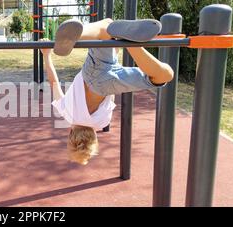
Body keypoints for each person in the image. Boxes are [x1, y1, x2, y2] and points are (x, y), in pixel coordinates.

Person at [40, 19, 174, 165]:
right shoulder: (66, 114)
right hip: (92, 74)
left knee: (164, 76)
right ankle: (80, 34)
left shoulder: (102, 122)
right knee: (106, 27)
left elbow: (110, 97)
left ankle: (131, 45)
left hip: (110, 83)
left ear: (94, 138)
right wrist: (46, 55)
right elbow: (54, 82)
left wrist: (115, 49)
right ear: (70, 134)